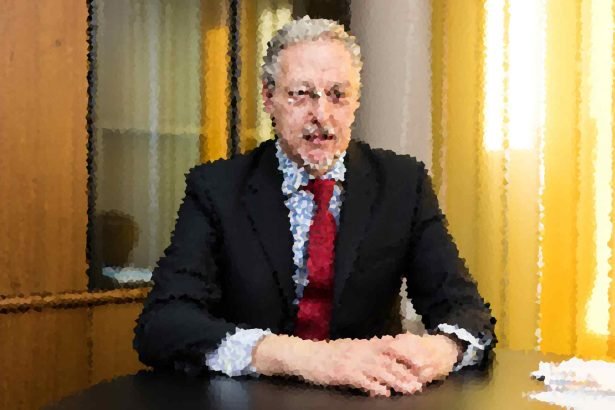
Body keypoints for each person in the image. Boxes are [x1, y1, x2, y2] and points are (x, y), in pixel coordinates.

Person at [134, 16, 496, 397]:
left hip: (366, 400)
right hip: (253, 399)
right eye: (301, 94)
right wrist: (302, 357)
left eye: (337, 95)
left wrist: (440, 350)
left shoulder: (403, 185)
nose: (321, 115)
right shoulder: (216, 189)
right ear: (269, 98)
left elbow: (467, 311)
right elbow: (163, 323)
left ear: (356, 101)